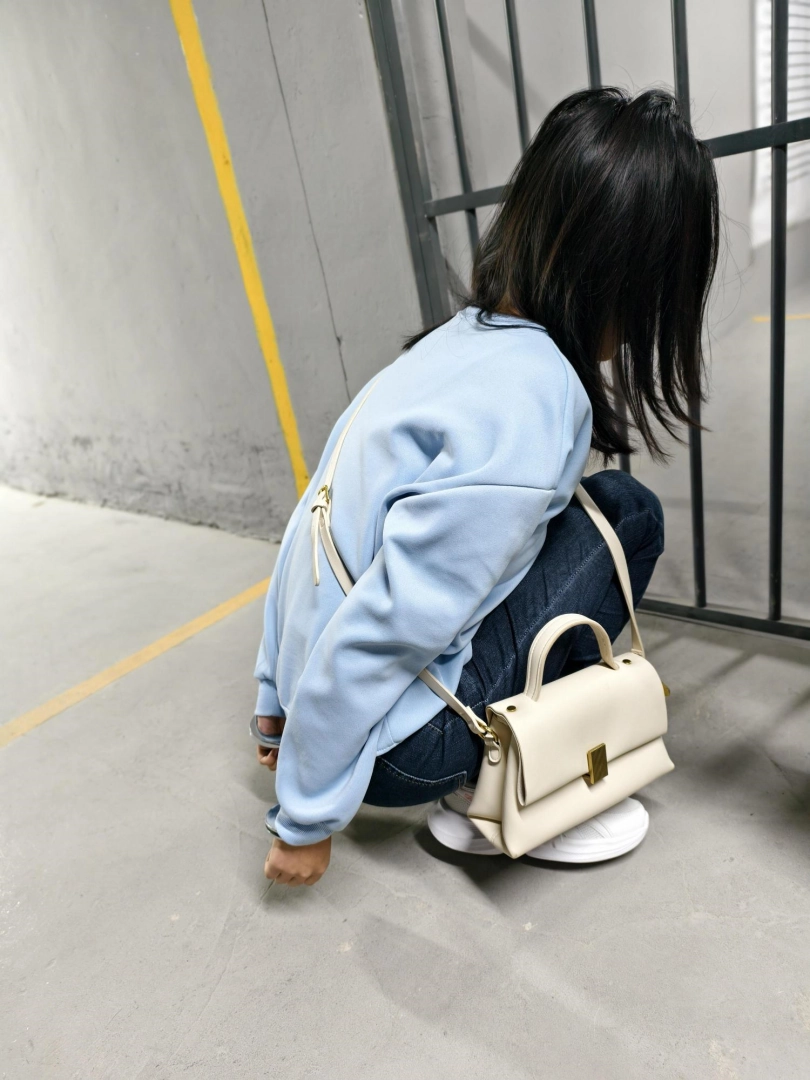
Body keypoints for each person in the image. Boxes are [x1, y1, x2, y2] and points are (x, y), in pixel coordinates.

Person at [252, 87, 719, 886]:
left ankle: (472, 759)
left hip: (321, 703)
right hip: (402, 748)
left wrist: (276, 699)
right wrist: (305, 813)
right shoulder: (534, 399)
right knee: (626, 515)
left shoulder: (449, 346)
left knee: (565, 520)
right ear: (622, 277)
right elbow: (393, 620)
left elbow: (313, 526)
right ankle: (524, 782)